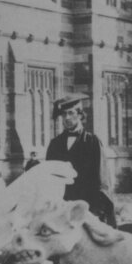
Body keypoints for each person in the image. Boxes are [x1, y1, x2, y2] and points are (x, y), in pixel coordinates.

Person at [45, 95, 116, 226]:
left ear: (80, 115)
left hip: (88, 208)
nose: (66, 118)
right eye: (64, 114)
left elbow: (102, 179)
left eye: (71, 113)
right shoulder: (55, 144)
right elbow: (48, 178)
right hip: (62, 209)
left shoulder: (92, 142)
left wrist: (97, 211)